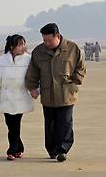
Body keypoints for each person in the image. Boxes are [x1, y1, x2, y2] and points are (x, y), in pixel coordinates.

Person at [25, 23, 86, 162]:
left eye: (49, 40)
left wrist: (76, 80)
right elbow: (33, 73)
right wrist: (32, 88)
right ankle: (52, 150)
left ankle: (63, 150)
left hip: (66, 93)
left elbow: (81, 67)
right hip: (48, 94)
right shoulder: (38, 52)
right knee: (50, 124)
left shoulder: (72, 48)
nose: (46, 43)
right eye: (44, 40)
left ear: (57, 36)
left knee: (65, 123)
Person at [0, 34, 34, 161]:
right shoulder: (2, 60)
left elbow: (33, 78)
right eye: (20, 45)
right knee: (10, 124)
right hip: (6, 97)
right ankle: (19, 147)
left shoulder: (28, 60)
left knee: (15, 124)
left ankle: (12, 150)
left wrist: (35, 90)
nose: (23, 47)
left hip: (20, 97)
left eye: (24, 44)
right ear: (12, 47)